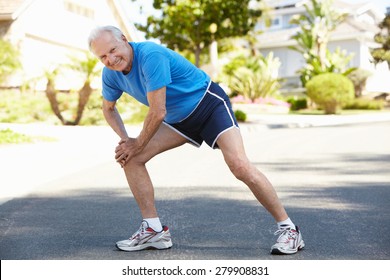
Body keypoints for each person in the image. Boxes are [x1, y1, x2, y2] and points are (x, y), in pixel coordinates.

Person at [88, 25, 305, 255]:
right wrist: (126, 140)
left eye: (113, 50)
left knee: (239, 166)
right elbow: (109, 109)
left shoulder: (151, 55)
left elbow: (157, 110)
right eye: (103, 56)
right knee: (130, 158)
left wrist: (137, 142)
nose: (110, 59)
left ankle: (289, 230)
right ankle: (153, 230)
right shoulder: (110, 74)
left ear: (124, 39)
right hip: (178, 119)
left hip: (208, 105)